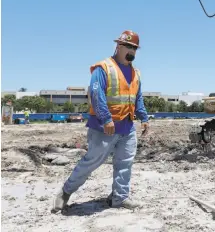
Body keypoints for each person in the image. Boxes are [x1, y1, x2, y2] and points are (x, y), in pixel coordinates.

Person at [52, 30, 149, 212]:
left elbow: (138, 97)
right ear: (118, 47)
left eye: (135, 48)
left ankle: (119, 198)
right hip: (104, 128)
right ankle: (65, 192)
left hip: (127, 128)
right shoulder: (104, 68)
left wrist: (144, 118)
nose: (132, 51)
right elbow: (96, 95)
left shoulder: (136, 73)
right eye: (128, 46)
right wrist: (106, 119)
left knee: (125, 163)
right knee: (91, 162)